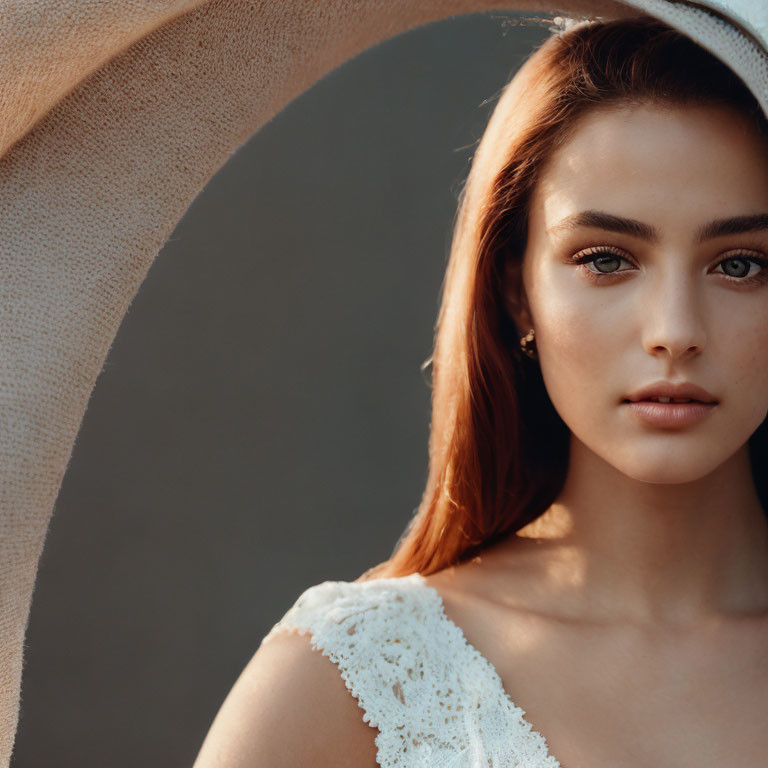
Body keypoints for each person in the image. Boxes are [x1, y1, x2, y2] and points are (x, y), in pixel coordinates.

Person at [193, 14, 768, 768]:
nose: (674, 330)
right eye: (605, 260)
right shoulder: (349, 681)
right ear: (516, 292)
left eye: (740, 265)